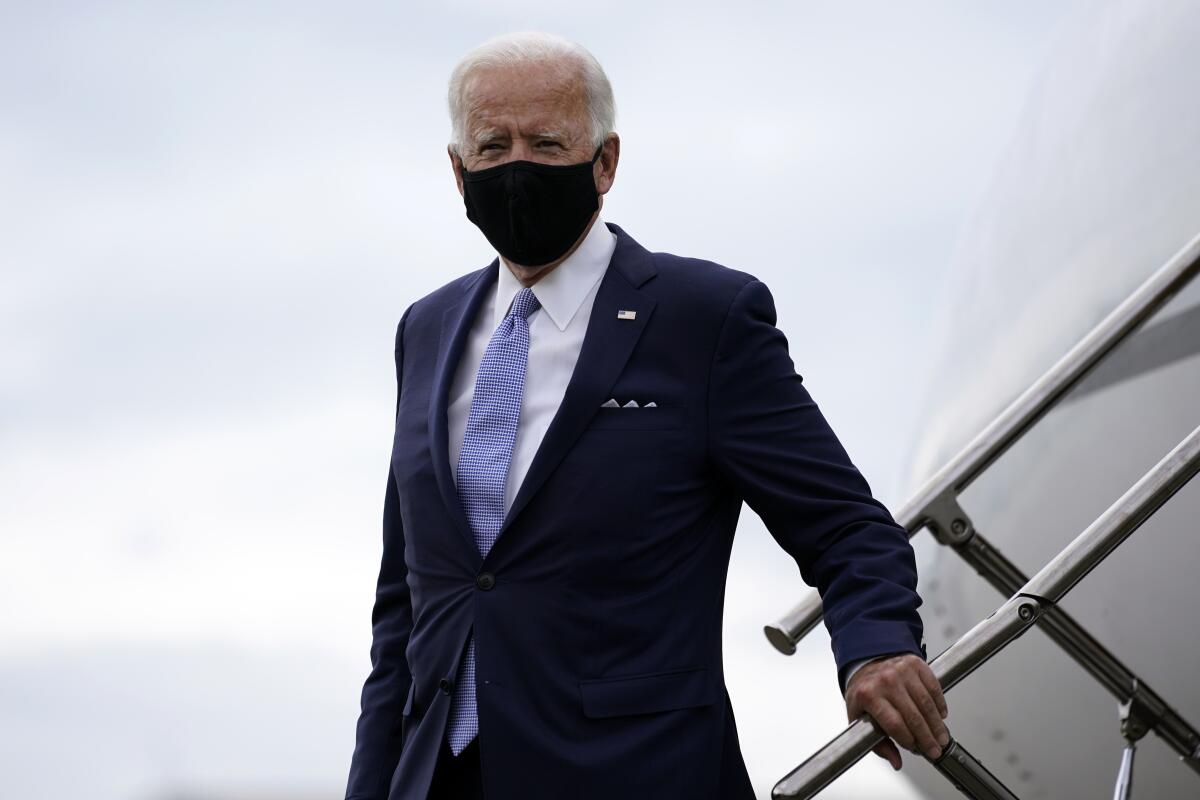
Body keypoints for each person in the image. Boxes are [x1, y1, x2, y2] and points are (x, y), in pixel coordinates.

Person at [344, 30, 949, 800]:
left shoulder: (704, 319)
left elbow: (845, 526)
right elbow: (405, 610)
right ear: (458, 173)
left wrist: (875, 649)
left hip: (632, 772)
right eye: (492, 147)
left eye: (547, 142)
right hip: (437, 780)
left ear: (605, 162)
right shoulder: (424, 331)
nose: (518, 165)